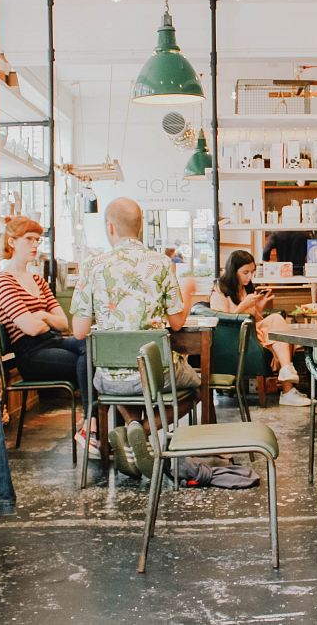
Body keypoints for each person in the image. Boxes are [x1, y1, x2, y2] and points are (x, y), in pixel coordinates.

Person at [69, 198, 202, 477]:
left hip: (107, 378)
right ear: (141, 227)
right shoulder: (162, 263)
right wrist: (188, 293)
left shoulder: (93, 265)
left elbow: (80, 331)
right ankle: (142, 431)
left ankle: (132, 430)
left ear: (110, 227)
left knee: (121, 372)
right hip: (154, 374)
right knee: (199, 386)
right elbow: (177, 323)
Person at [0, 215, 87, 421]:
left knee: (91, 346)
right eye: (29, 239)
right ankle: (92, 422)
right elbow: (30, 329)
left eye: (38, 239)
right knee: (90, 363)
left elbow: (63, 323)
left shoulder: (38, 280)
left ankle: (92, 423)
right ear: (12, 242)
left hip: (53, 341)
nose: (35, 244)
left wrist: (42, 315)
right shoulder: (3, 282)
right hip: (30, 353)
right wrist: (44, 322)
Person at [210, 249, 311, 407]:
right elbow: (222, 321)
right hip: (235, 338)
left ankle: (287, 379)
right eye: (245, 272)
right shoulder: (219, 290)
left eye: (252, 272)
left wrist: (260, 306)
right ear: (233, 270)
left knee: (279, 328)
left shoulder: (246, 288)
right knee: (278, 329)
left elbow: (254, 318)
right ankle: (287, 390)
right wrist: (244, 305)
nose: (250, 277)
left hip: (252, 332)